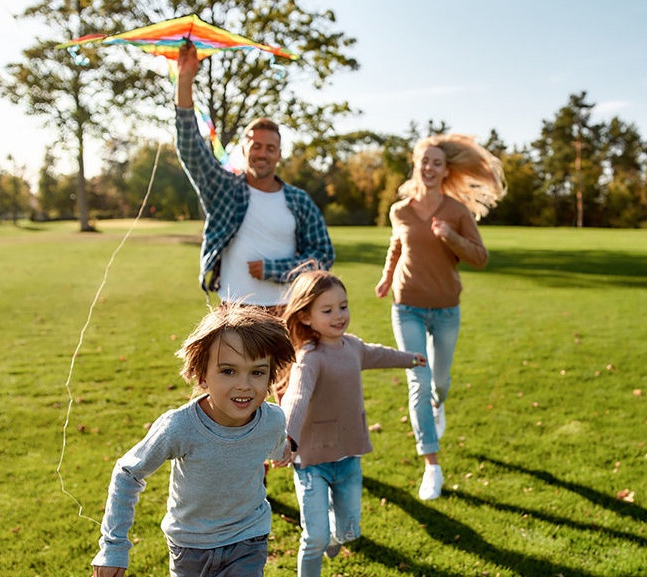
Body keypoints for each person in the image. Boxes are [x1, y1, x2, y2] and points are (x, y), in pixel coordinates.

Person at [91, 304, 296, 577]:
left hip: (248, 539)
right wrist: (113, 546)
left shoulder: (272, 420)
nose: (244, 385)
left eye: (257, 372)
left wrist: (284, 451)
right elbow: (128, 473)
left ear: (271, 376)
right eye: (228, 371)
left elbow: (274, 445)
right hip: (190, 547)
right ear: (202, 376)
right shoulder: (179, 427)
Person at [374, 134, 506, 500]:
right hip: (407, 307)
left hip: (446, 310)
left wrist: (450, 237)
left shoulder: (456, 212)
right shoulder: (400, 210)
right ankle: (432, 465)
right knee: (418, 380)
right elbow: (397, 245)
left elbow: (480, 257)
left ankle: (439, 402)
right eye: (425, 162)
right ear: (415, 165)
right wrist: (386, 277)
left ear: (446, 171)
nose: (429, 168)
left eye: (437, 163)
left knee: (439, 383)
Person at [278, 270, 426, 577]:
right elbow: (296, 397)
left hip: (348, 456)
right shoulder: (309, 358)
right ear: (305, 317)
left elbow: (378, 355)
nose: (339, 315)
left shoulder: (353, 347)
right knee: (314, 538)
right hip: (312, 461)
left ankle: (335, 534)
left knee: (348, 532)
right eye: (327, 310)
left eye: (343, 306)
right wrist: (288, 438)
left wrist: (410, 359)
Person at [175, 42, 334, 312]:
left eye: (270, 148)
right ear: (243, 150)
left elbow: (324, 255)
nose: (262, 153)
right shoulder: (224, 189)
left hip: (288, 310)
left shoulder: (299, 200)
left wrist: (275, 270)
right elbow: (190, 146)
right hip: (234, 310)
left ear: (279, 155)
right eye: (256, 146)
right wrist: (185, 79)